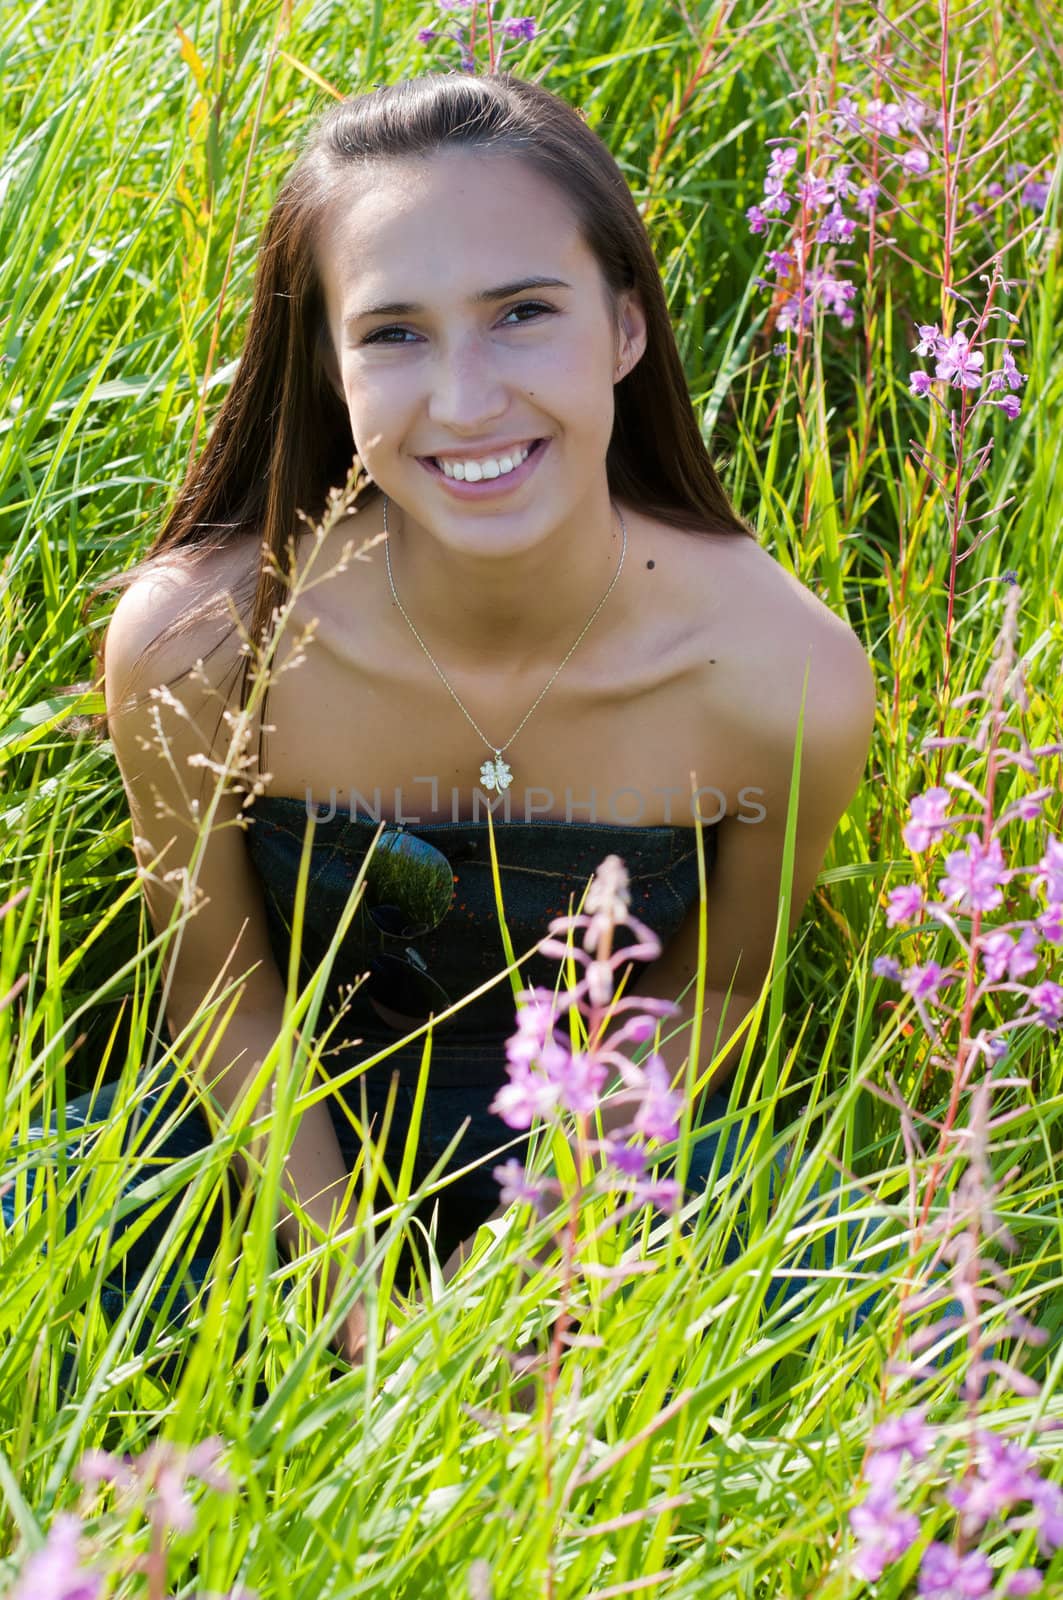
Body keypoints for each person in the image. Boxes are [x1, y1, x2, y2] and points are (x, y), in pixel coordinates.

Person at [4, 72, 876, 1382]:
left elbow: (719, 990)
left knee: (864, 1328)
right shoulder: (201, 643)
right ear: (328, 364)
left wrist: (540, 1258)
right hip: (265, 1140)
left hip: (601, 1170)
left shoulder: (780, 673)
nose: (465, 402)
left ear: (625, 329)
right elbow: (223, 992)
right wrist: (355, 1294)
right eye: (395, 334)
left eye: (523, 314)